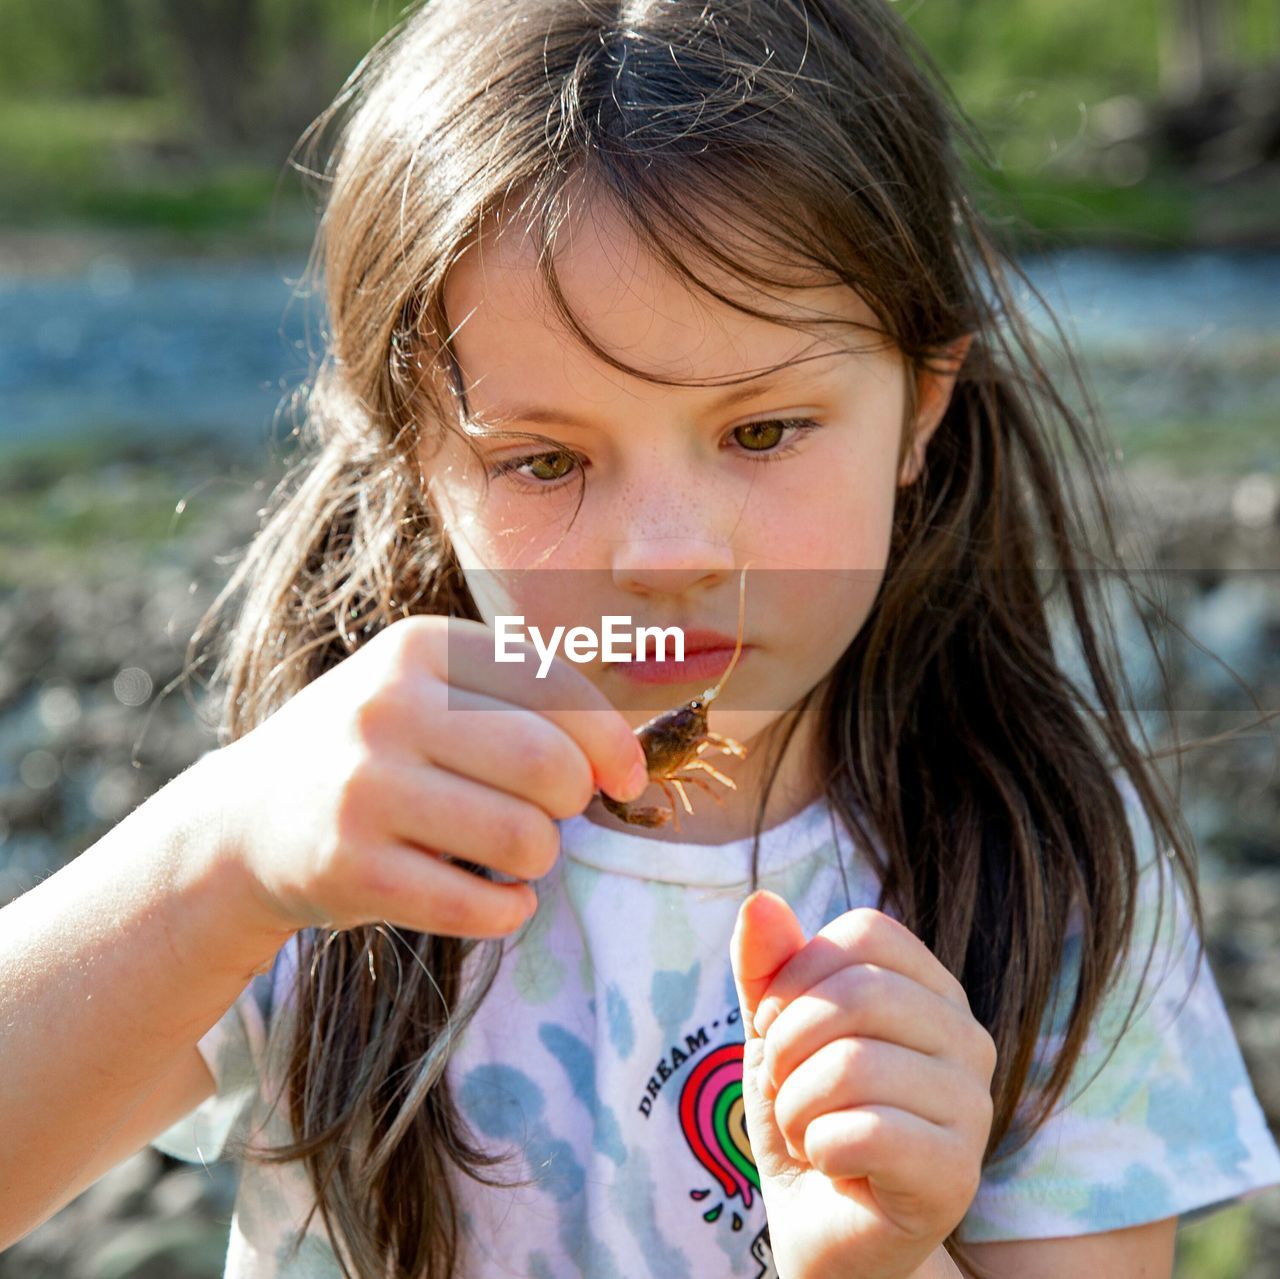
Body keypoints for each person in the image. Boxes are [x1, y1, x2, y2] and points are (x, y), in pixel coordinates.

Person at [3, 0, 1278, 1276]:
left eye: (763, 431)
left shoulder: (1048, 862)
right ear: (414, 462)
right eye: (545, 458)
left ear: (918, 407)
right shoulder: (344, 829)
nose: (667, 552)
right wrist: (215, 861)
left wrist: (882, 1260)